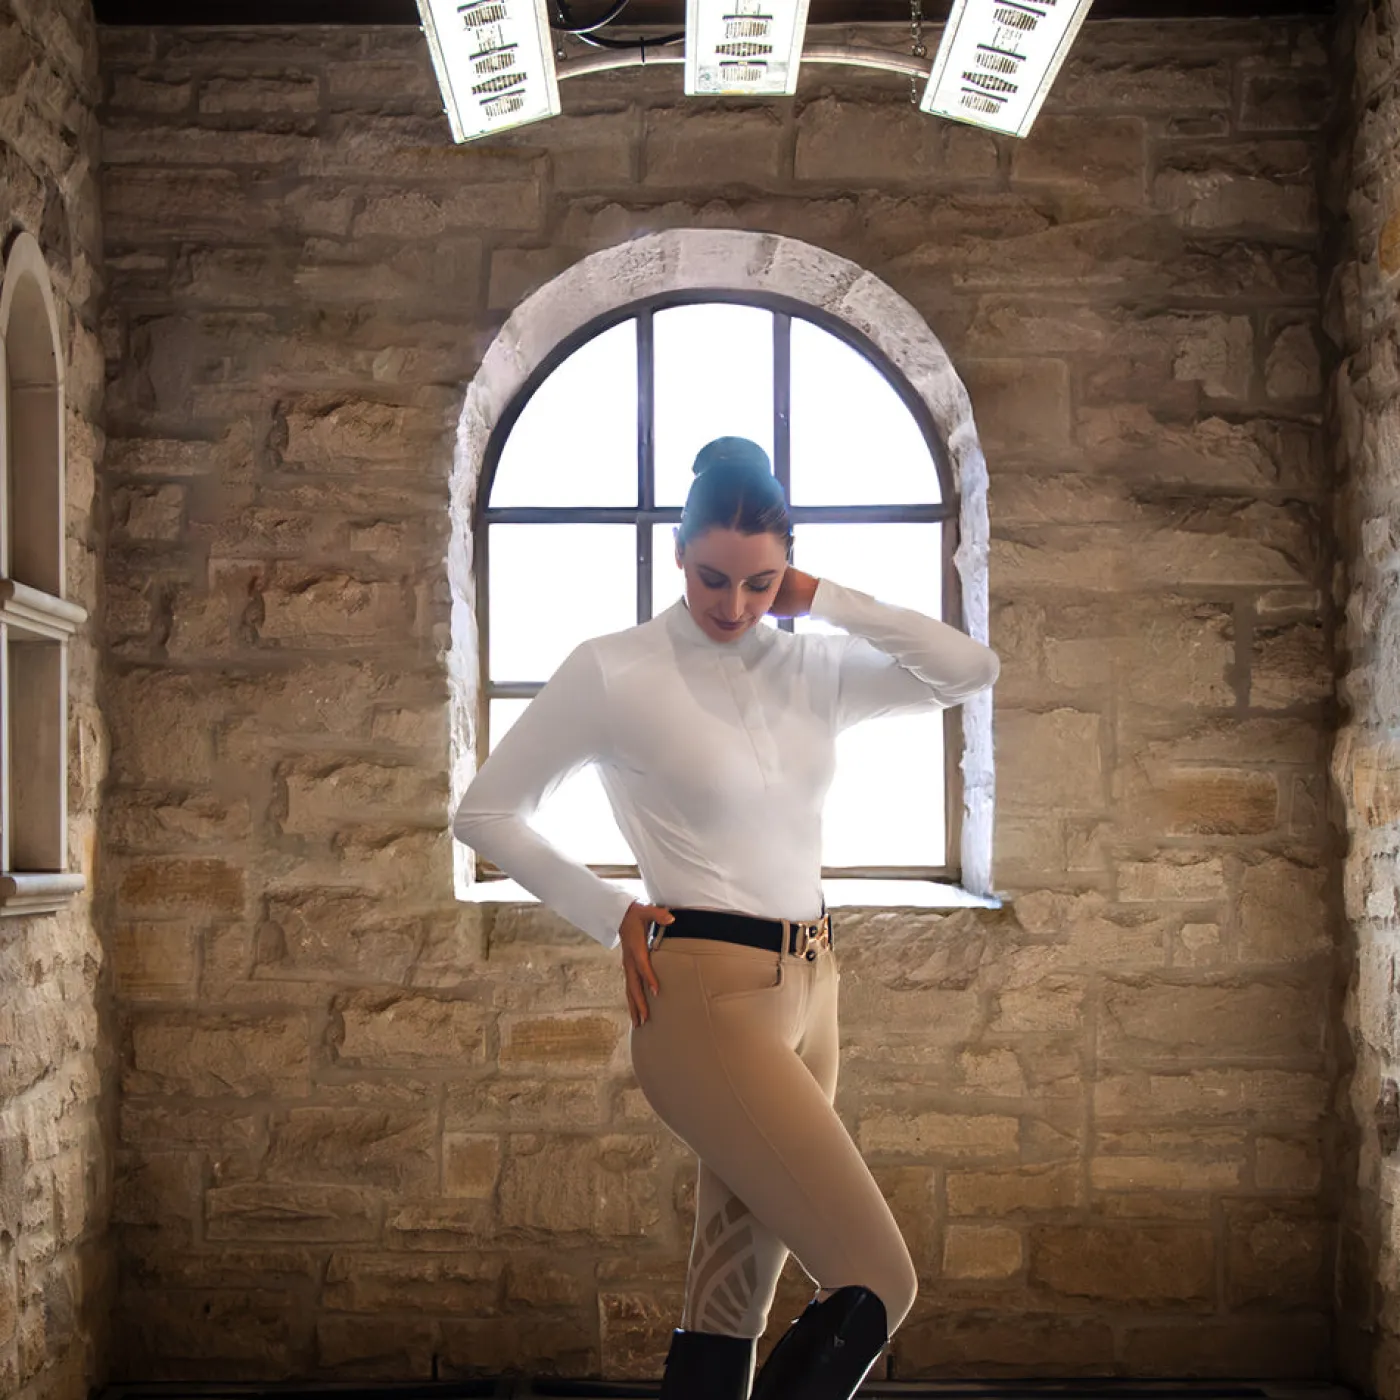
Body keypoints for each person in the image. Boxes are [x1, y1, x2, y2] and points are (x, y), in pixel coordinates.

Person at [452, 435, 999, 1400]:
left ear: (788, 572)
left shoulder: (813, 669)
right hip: (706, 999)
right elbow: (485, 812)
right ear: (677, 552)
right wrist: (611, 911)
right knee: (879, 1279)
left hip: (814, 990)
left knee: (732, 1290)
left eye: (760, 582)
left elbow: (969, 670)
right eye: (712, 577)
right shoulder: (615, 670)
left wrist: (827, 599)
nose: (734, 604)